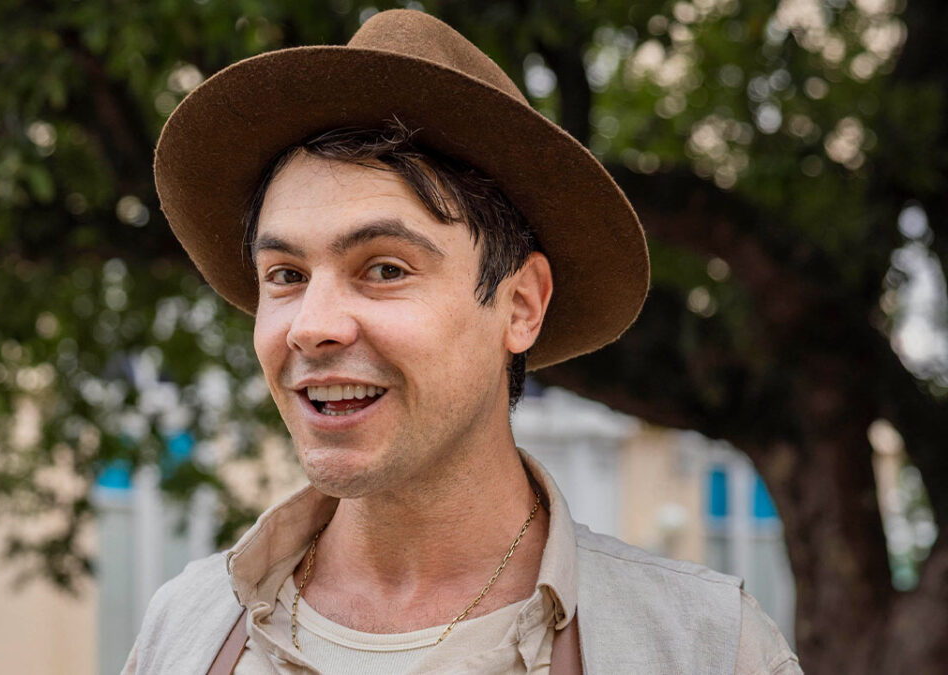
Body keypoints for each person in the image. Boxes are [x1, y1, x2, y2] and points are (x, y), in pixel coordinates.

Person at [124, 9, 800, 675]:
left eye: (384, 269)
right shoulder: (184, 629)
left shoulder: (704, 648)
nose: (310, 325)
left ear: (521, 305)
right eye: (286, 275)